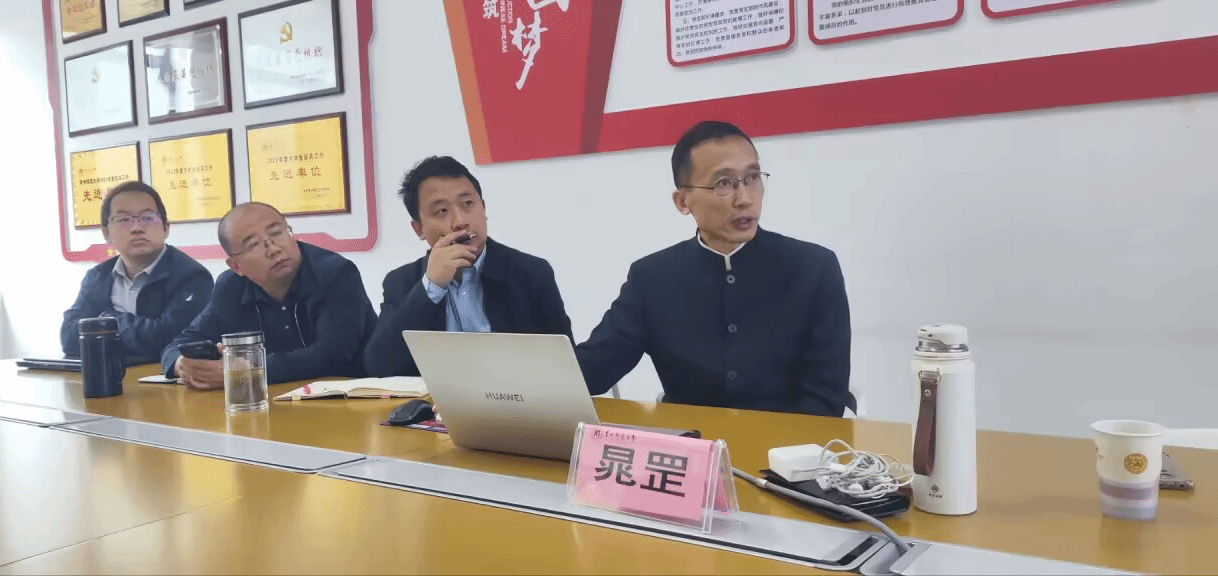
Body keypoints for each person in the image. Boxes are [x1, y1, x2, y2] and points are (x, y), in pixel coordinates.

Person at [575, 120, 856, 417]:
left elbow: (825, 397)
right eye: (724, 183)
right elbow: (596, 368)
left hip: (791, 443)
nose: (745, 198)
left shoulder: (814, 269)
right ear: (682, 201)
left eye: (752, 178)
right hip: (690, 442)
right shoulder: (652, 278)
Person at [363, 155, 573, 377]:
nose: (460, 221)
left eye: (468, 204)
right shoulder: (402, 282)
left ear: (484, 208)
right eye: (442, 211)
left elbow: (567, 366)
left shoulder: (531, 274)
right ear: (419, 229)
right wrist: (432, 287)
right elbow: (378, 367)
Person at [161, 202, 377, 388]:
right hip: (273, 401)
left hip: (347, 400)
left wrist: (247, 372)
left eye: (277, 233)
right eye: (253, 244)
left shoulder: (335, 273)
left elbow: (333, 355)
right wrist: (180, 364)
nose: (273, 249)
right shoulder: (230, 287)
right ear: (236, 266)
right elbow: (180, 343)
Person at [60, 181, 213, 363]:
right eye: (124, 220)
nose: (137, 228)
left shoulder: (193, 277)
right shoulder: (97, 277)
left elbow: (168, 339)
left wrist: (108, 321)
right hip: (110, 374)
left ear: (165, 228)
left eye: (147, 218)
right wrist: (138, 333)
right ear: (106, 233)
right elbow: (69, 336)